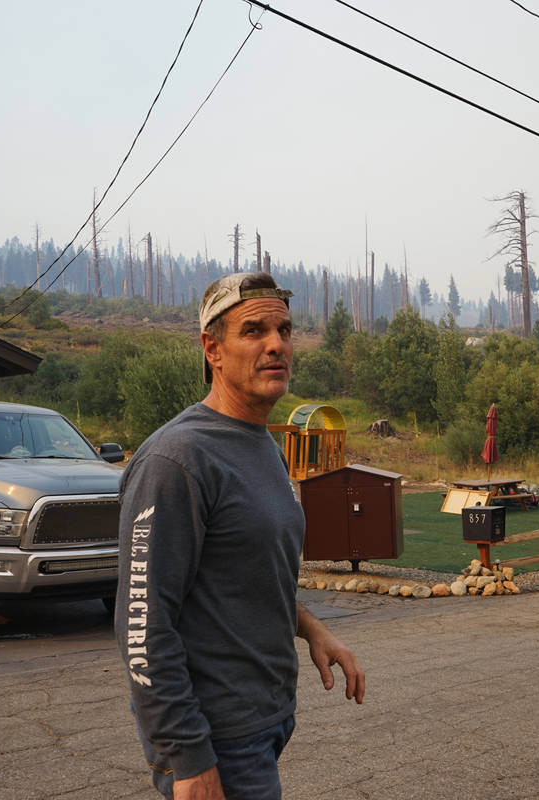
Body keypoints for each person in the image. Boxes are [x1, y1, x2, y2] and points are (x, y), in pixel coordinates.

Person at [116, 272, 364, 800]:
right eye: (253, 331)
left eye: (284, 330)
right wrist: (187, 759)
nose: (276, 345)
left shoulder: (263, 446)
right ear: (213, 349)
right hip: (217, 744)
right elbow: (142, 625)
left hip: (265, 726)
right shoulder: (176, 459)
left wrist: (312, 629)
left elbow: (245, 572)